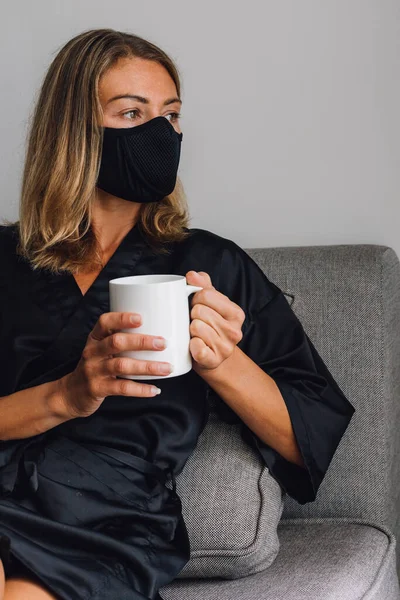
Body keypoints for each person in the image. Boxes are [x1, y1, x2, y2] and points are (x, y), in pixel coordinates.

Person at [0, 28, 355, 600]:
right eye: (131, 112)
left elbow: (308, 436)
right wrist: (65, 395)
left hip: (105, 522)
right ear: (73, 131)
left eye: (171, 114)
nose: (160, 133)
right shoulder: (8, 260)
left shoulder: (207, 264)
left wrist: (222, 362)